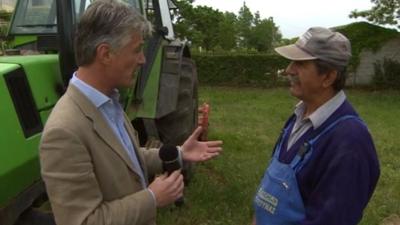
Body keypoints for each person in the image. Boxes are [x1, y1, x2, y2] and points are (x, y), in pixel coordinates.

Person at [39, 1, 222, 225]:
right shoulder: (64, 132)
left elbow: (127, 157)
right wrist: (152, 198)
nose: (142, 59)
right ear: (105, 54)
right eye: (136, 50)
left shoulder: (108, 102)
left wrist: (179, 153)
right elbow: (84, 221)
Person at [253, 27, 380, 225]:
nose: (289, 70)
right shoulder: (298, 116)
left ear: (328, 77)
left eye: (300, 64)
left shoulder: (351, 142)